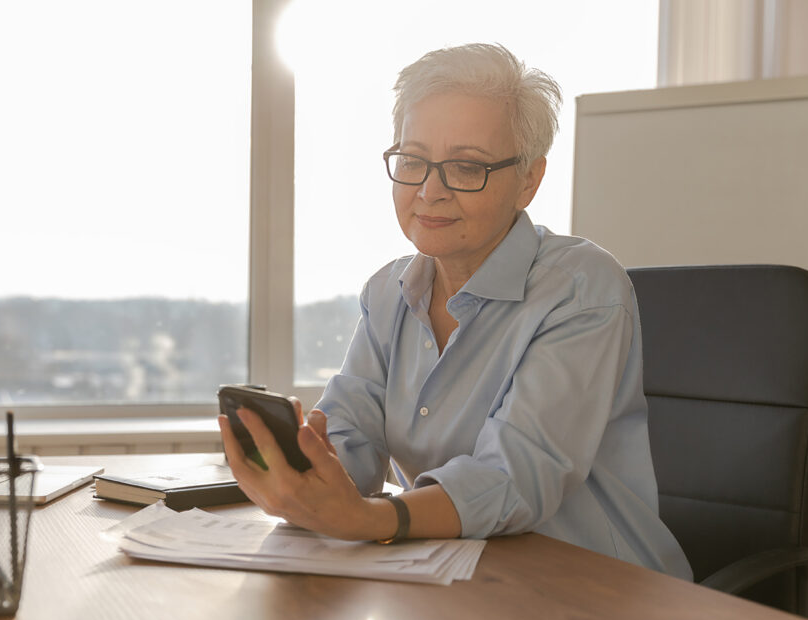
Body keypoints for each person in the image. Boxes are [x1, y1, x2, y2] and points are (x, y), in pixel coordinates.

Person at [218, 43, 692, 580]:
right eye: (414, 161)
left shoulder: (581, 287)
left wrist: (371, 517)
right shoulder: (388, 291)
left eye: (466, 167)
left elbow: (517, 475)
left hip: (602, 593)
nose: (429, 191)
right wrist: (305, 480)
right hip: (460, 580)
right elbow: (351, 435)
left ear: (529, 180)